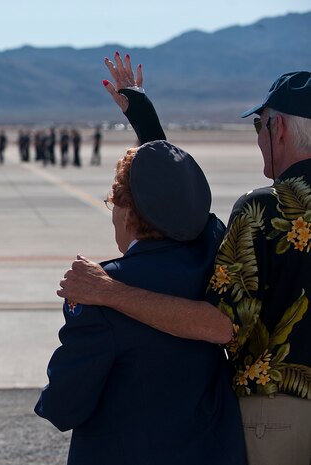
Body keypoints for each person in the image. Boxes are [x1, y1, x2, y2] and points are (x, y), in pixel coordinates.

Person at [58, 52, 311, 465]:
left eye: (257, 124)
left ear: (277, 127)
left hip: (279, 415)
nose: (257, 134)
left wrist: (109, 291)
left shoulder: (264, 210)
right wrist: (148, 127)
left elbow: (219, 326)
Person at [34, 104, 247, 462]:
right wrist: (144, 117)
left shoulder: (99, 292)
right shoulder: (212, 251)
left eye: (112, 203)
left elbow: (63, 407)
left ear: (129, 212)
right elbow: (182, 197)